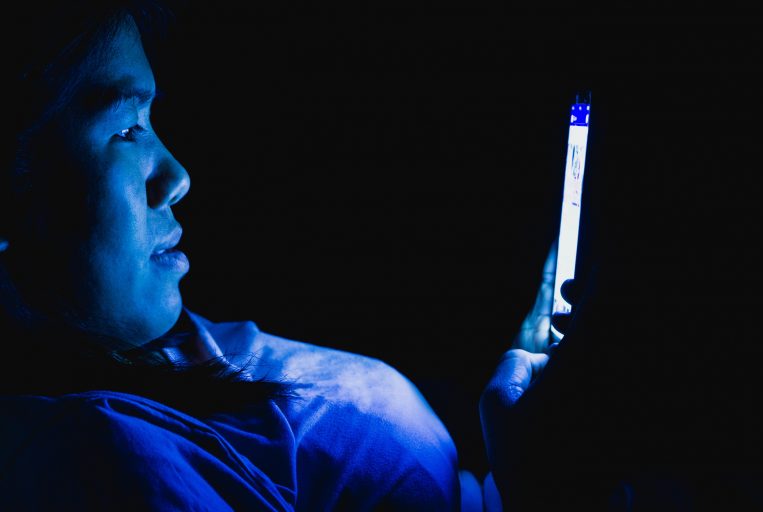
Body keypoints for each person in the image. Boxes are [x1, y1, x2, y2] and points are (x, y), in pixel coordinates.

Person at [0, 1, 490, 509]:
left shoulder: (126, 348)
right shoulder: (96, 465)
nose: (176, 178)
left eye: (150, 120)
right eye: (126, 130)